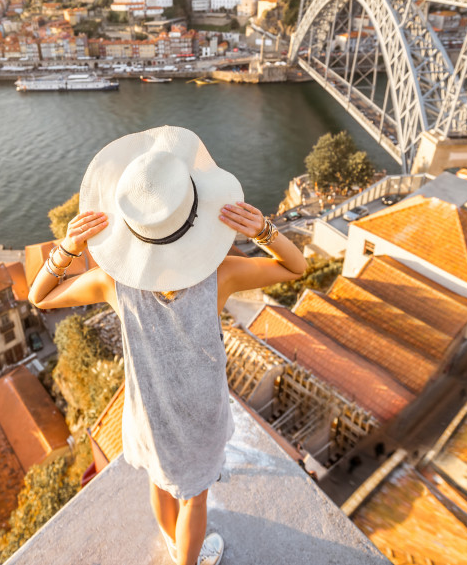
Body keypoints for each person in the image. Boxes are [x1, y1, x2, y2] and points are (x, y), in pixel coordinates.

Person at [28, 126, 307, 565]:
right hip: (201, 413)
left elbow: (39, 297)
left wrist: (66, 247)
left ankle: (175, 545)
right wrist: (264, 231)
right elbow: (296, 267)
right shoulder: (224, 273)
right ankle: (186, 561)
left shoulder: (112, 283)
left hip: (148, 411)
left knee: (158, 483)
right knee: (195, 499)